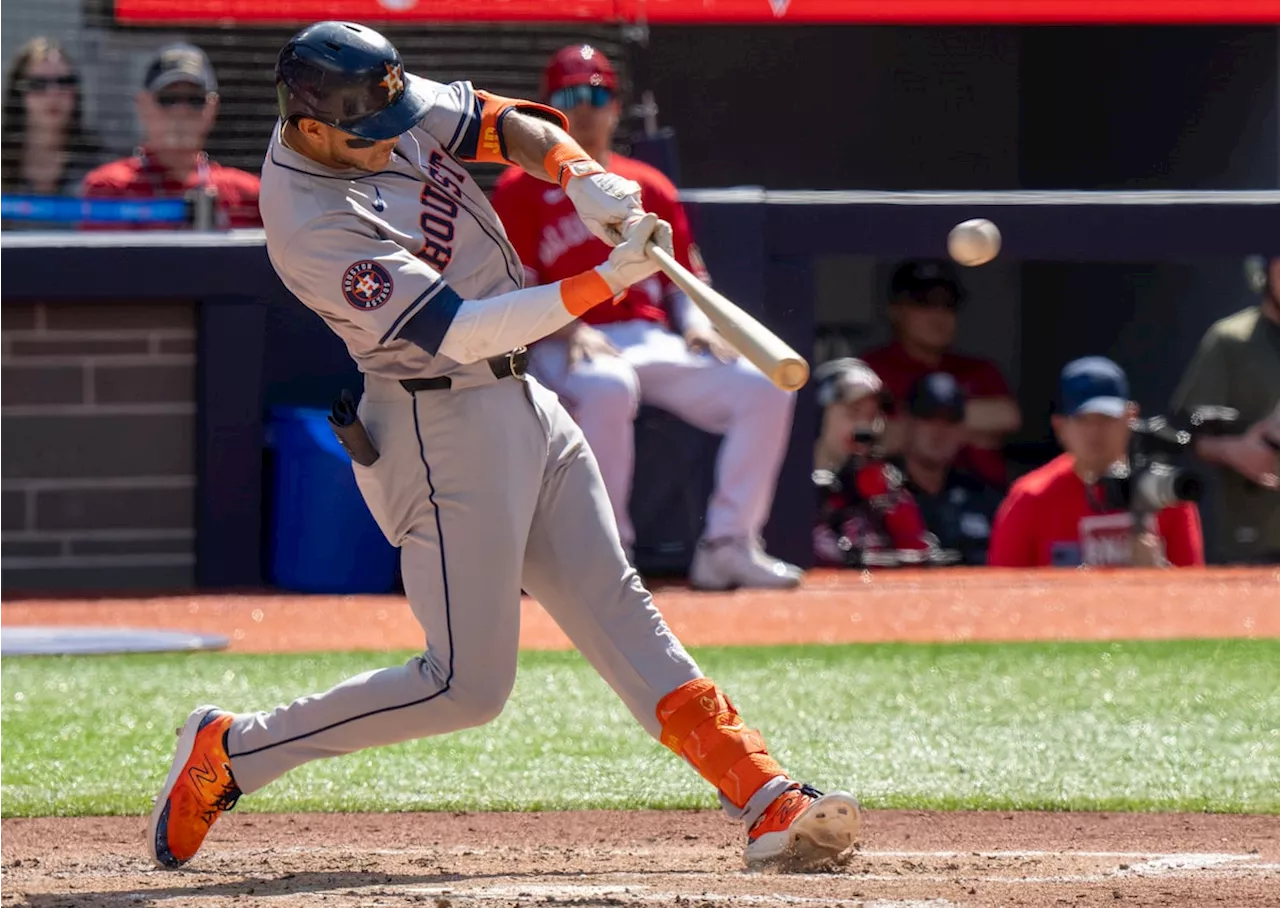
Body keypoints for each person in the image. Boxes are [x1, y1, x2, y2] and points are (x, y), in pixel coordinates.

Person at [145, 21, 860, 875]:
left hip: (523, 398)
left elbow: (497, 123)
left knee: (620, 604)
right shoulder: (308, 219)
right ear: (310, 127)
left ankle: (765, 794)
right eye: (366, 135)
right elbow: (458, 332)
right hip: (438, 427)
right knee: (467, 686)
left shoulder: (370, 102)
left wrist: (578, 174)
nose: (390, 140)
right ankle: (232, 754)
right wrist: (608, 280)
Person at [488, 44, 800, 591]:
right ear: (546, 110)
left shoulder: (647, 184)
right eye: (568, 96)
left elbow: (684, 278)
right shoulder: (520, 188)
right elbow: (513, 287)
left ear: (614, 106)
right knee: (608, 386)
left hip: (647, 334)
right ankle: (609, 554)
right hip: (560, 339)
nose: (583, 109)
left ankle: (728, 545)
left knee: (764, 387)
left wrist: (698, 325)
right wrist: (567, 327)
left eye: (596, 94)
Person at [987, 356, 1204, 568]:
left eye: (1107, 418)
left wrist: (1157, 573)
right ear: (1060, 426)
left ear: (1131, 418)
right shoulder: (1032, 497)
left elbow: (1196, 591)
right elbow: (1001, 592)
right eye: (1082, 420)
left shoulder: (1166, 492)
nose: (1095, 431)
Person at [862, 260, 1020, 488]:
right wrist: (973, 432)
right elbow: (874, 438)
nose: (938, 313)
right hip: (896, 499)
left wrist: (913, 430)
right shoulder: (871, 369)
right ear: (895, 310)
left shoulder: (979, 369)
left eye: (948, 304)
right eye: (923, 302)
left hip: (981, 502)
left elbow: (1008, 416)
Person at [1169, 255, 1280, 564]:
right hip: (1253, 540)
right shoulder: (1231, 341)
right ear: (1264, 270)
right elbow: (1184, 431)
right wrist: (1234, 450)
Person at [80, 43, 261, 229]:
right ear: (143, 106)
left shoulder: (247, 195)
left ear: (212, 107)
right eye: (168, 98)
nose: (181, 111)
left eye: (195, 99)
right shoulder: (111, 188)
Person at [811, 357, 944, 568]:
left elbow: (920, 563)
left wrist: (893, 504)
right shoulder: (786, 489)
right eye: (853, 413)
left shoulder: (883, 487)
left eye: (872, 416)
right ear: (816, 416)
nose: (866, 428)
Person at [893, 373, 1003, 566]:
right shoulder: (881, 497)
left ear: (962, 429)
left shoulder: (985, 500)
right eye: (928, 418)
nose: (939, 430)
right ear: (908, 422)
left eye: (950, 420)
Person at [0, 37, 102, 227]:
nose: (53, 93)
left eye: (64, 82)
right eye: (39, 84)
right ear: (19, 93)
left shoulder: (97, 167)